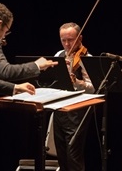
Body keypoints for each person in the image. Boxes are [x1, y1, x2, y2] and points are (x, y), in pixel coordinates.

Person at [0, 3, 58, 171]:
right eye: (6, 31)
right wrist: (36, 66)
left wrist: (15, 88)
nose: (4, 36)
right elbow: (5, 70)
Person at [53, 22, 95, 171]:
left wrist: (77, 82)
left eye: (70, 40)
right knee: (61, 154)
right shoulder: (58, 55)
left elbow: (93, 88)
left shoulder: (86, 58)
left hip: (78, 111)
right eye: (63, 40)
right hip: (59, 108)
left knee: (73, 155)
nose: (66, 44)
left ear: (80, 38)